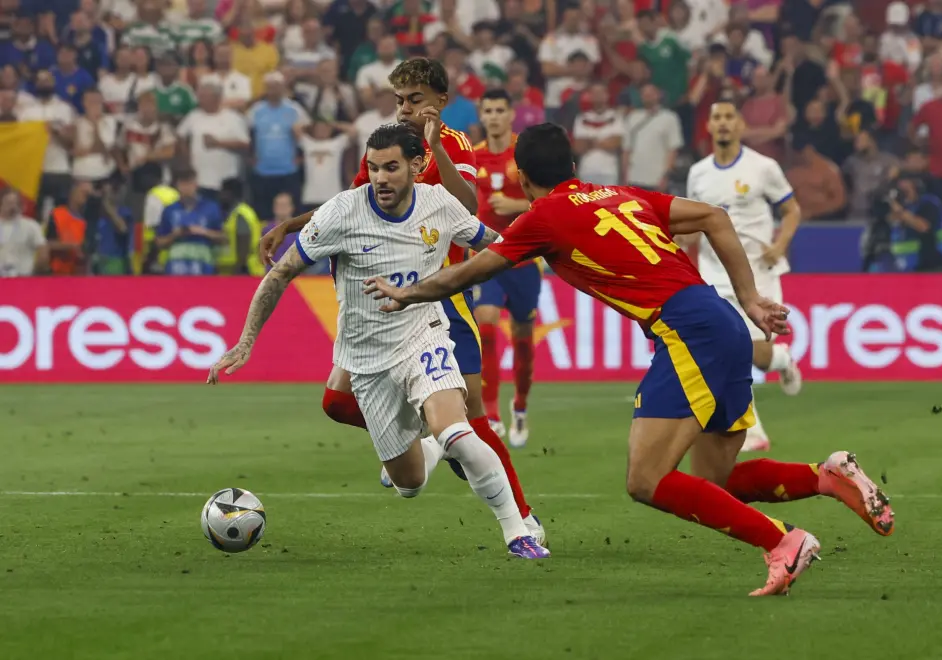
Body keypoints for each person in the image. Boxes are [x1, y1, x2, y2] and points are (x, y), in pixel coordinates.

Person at [364, 123, 896, 596]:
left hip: (687, 333)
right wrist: (751, 300)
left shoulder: (542, 216)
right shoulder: (617, 194)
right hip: (725, 323)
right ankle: (827, 477)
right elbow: (713, 216)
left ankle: (784, 542)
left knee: (646, 479)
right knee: (717, 480)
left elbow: (472, 271)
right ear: (573, 167)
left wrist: (410, 293)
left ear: (523, 178)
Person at [207, 124, 549, 560]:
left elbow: (495, 244)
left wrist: (550, 241)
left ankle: (518, 532)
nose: (381, 178)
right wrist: (244, 343)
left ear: (416, 166)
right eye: (373, 168)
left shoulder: (437, 204)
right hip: (367, 364)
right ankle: (427, 447)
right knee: (410, 484)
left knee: (459, 433)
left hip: (425, 336)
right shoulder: (341, 214)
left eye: (391, 167)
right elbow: (281, 273)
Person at [685, 99, 803, 453]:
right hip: (714, 273)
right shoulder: (698, 173)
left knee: (756, 352)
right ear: (709, 126)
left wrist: (780, 243)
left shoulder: (763, 167)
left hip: (757, 273)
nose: (722, 123)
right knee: (727, 348)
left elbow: (791, 208)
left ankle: (781, 360)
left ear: (739, 125)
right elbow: (692, 221)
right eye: (716, 117)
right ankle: (752, 429)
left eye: (728, 117)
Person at [472, 89, 540, 447]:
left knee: (523, 341)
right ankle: (492, 414)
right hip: (488, 257)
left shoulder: (525, 154)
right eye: (489, 110)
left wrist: (515, 201)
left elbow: (545, 201)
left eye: (500, 109)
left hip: (525, 260)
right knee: (485, 323)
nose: (495, 116)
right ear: (482, 116)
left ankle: (521, 406)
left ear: (511, 114)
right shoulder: (475, 155)